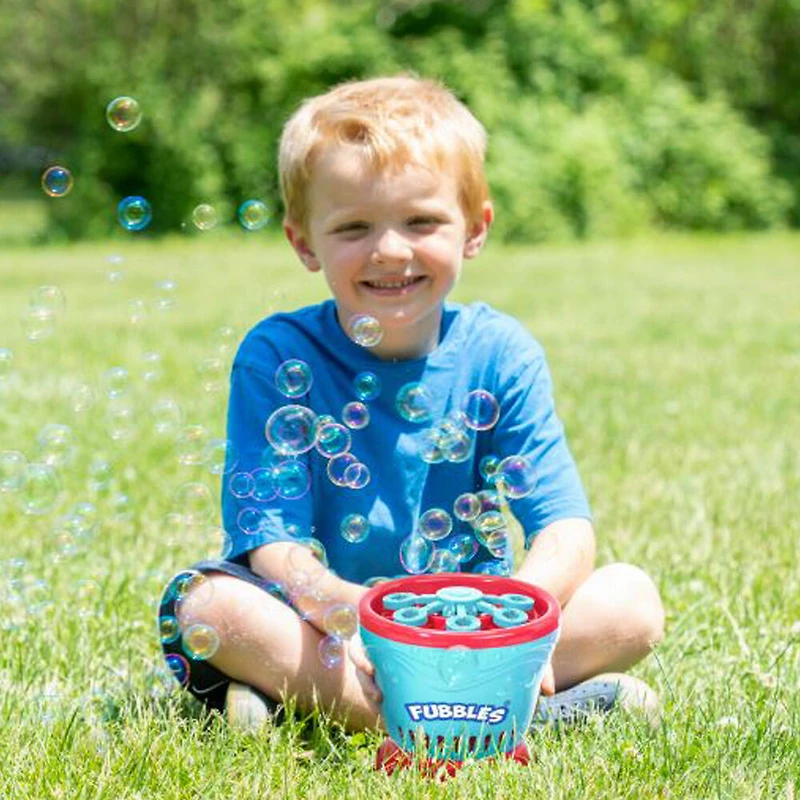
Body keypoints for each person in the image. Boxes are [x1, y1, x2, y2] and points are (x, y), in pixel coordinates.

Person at [158, 72, 665, 735]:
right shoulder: (277, 354)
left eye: (421, 221)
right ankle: (509, 713)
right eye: (354, 226)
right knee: (209, 610)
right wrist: (351, 611)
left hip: (470, 620)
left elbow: (565, 530)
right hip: (328, 627)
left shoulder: (502, 353)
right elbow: (272, 545)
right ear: (304, 241)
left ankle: (318, 706)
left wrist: (524, 615)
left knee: (632, 601)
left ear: (474, 229)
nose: (391, 250)